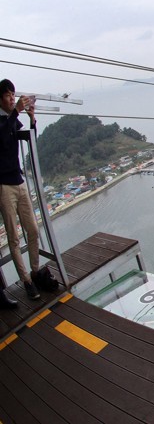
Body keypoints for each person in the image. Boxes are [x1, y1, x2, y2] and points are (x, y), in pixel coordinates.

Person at [1, 79, 59, 306]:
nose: (12, 99)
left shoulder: (11, 120)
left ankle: (34, 271)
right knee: (14, 239)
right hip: (3, 186)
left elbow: (27, 136)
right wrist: (16, 112)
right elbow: (2, 136)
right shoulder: (3, 120)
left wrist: (32, 119)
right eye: (7, 95)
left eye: (13, 95)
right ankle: (26, 282)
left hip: (19, 182)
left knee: (33, 230)